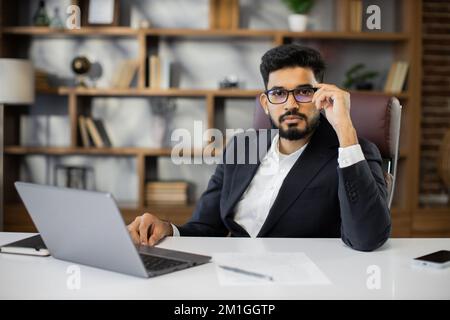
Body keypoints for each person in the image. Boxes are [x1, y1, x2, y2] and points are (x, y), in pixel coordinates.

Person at [127, 44, 391, 251]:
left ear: (321, 97)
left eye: (303, 92)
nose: (290, 105)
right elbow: (207, 227)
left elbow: (367, 238)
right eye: (278, 93)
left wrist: (345, 127)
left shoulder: (354, 151)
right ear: (265, 103)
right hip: (231, 279)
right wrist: (168, 230)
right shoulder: (242, 146)